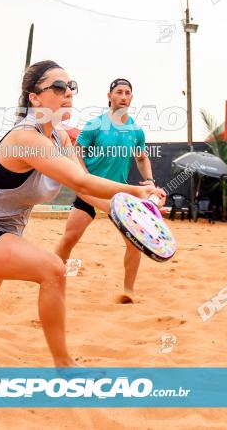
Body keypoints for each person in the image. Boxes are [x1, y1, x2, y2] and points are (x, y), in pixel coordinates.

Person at [0, 61, 164, 367]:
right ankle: (65, 366)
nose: (68, 94)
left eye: (71, 87)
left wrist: (130, 213)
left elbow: (86, 192)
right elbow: (82, 181)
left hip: (3, 235)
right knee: (53, 269)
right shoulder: (25, 138)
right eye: (58, 87)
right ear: (34, 98)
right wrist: (138, 191)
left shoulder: (61, 138)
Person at [54, 78, 153, 299]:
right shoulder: (95, 125)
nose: (124, 96)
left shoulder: (136, 131)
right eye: (119, 92)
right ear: (109, 96)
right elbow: (76, 152)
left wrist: (150, 179)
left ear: (131, 97)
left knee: (134, 242)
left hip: (118, 194)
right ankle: (54, 278)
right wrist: (84, 178)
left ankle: (128, 291)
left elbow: (142, 158)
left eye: (128, 92)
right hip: (89, 191)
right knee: (70, 238)